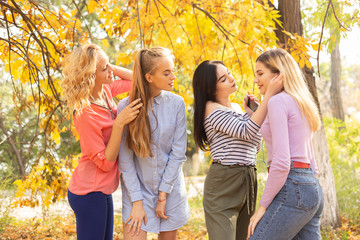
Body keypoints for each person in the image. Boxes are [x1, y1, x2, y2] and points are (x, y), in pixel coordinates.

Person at [192, 60, 283, 240]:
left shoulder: (234, 108)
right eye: (223, 79)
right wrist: (267, 98)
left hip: (248, 177)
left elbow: (254, 145)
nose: (231, 79)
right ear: (210, 88)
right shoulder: (211, 110)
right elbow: (246, 131)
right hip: (224, 181)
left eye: (229, 73)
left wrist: (251, 113)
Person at [61, 44, 142, 240]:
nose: (111, 72)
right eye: (104, 69)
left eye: (109, 66)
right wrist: (119, 123)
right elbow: (105, 163)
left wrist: (107, 66)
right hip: (88, 192)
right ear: (90, 75)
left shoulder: (105, 91)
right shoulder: (86, 114)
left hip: (102, 190)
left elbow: (137, 81)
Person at [247, 48, 324, 240]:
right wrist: (253, 112)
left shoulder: (278, 102)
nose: (256, 80)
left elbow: (282, 162)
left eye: (260, 73)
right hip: (311, 187)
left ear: (277, 75)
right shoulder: (300, 101)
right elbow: (309, 155)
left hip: (293, 186)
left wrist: (262, 208)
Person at [117, 47, 190, 240]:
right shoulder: (126, 106)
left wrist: (163, 195)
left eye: (172, 71)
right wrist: (137, 202)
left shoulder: (177, 104)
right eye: (166, 73)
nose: (173, 76)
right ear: (149, 77)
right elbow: (125, 161)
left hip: (170, 191)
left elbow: (178, 154)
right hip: (137, 193)